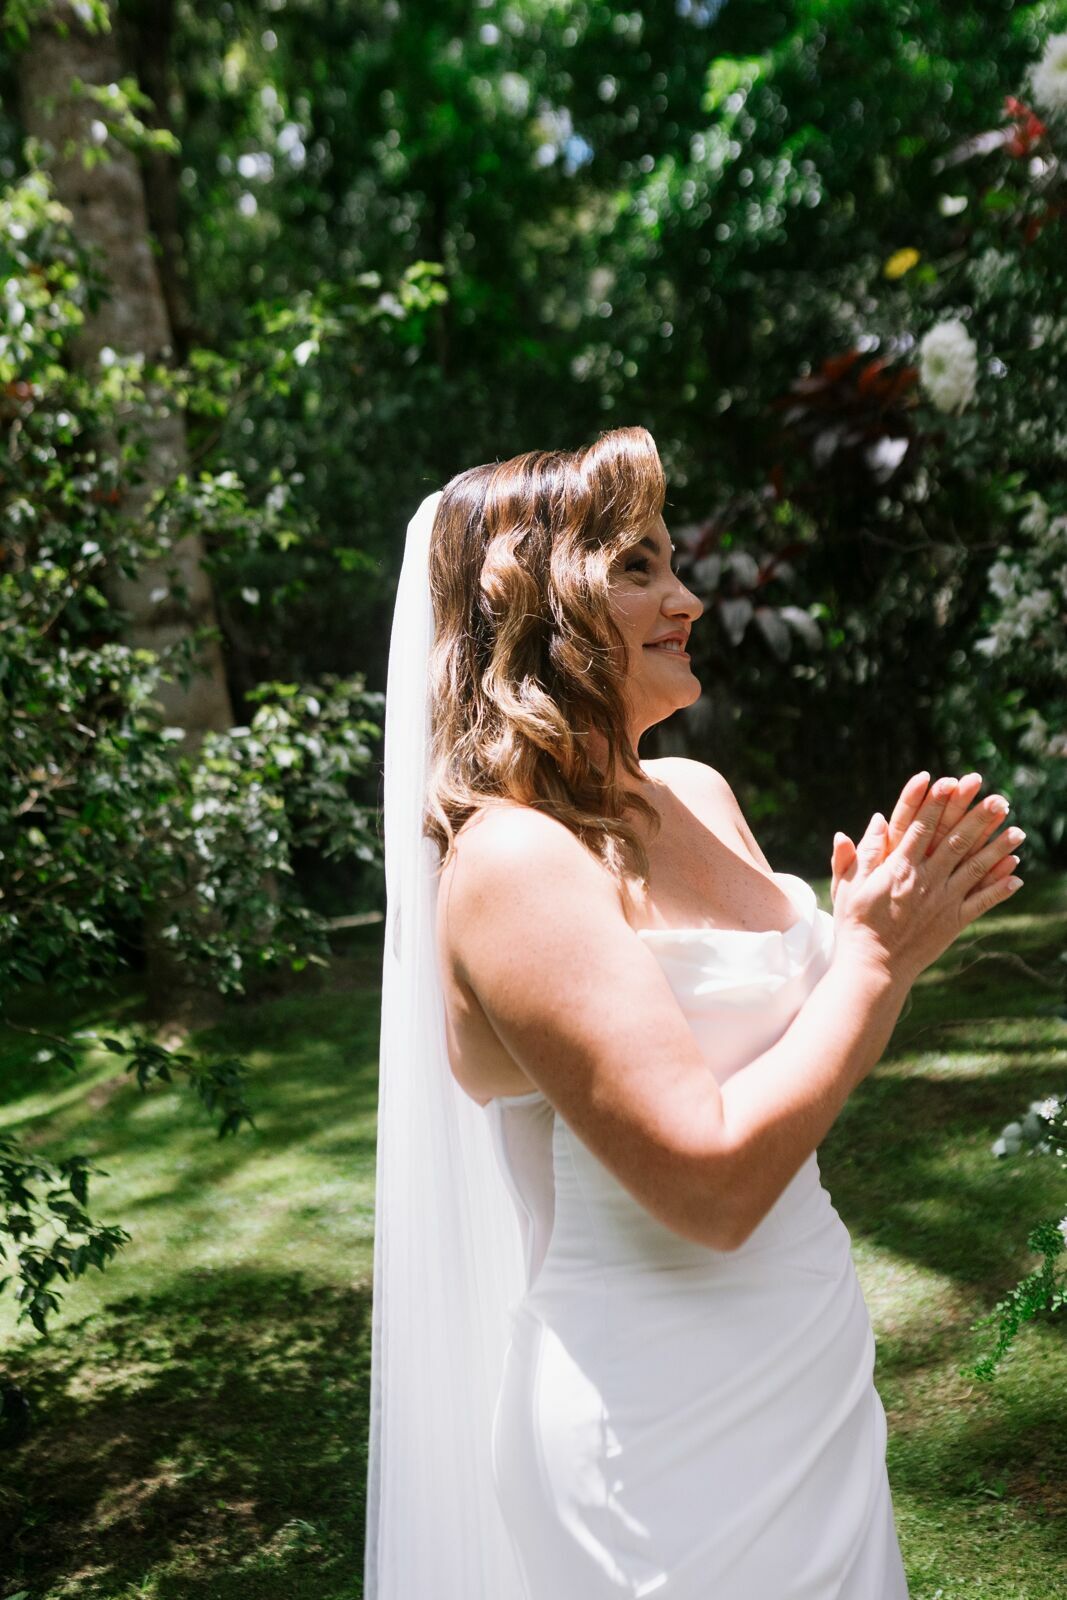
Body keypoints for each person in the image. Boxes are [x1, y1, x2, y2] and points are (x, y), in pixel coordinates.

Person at [364, 425, 1025, 1600]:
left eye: (671, 561)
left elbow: (780, 1070)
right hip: (656, 1425)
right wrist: (871, 963)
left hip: (805, 1357)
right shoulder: (513, 862)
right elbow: (707, 1183)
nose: (687, 599)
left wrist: (881, 920)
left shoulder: (694, 795)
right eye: (636, 566)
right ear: (533, 602)